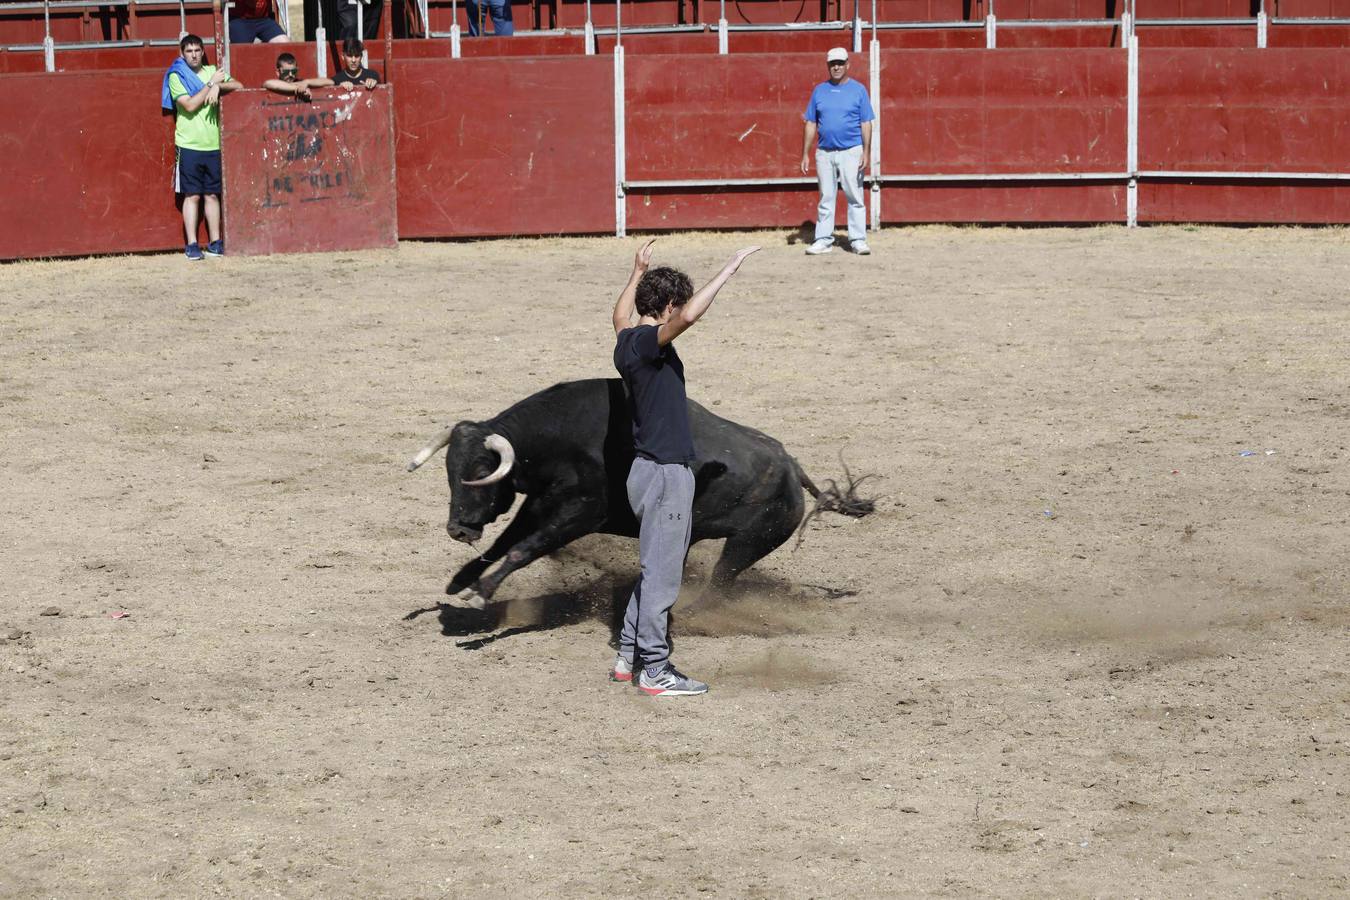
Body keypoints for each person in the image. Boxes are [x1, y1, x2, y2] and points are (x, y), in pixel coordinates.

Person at [609, 239, 760, 697]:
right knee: (663, 574)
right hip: (666, 475)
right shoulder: (650, 345)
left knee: (654, 566)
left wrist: (636, 270)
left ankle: (628, 654)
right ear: (669, 305)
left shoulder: (625, 342)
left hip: (642, 471)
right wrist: (727, 270)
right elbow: (690, 317)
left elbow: (618, 315)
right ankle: (654, 670)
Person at [162, 33, 243, 260]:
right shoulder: (177, 76)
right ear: (182, 53)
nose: (194, 55)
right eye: (189, 51)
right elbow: (189, 105)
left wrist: (220, 87)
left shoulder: (212, 71)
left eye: (197, 50)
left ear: (203, 51)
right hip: (189, 145)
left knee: (212, 194)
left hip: (213, 144)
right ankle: (192, 244)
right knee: (192, 195)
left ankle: (215, 242)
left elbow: (239, 85)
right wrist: (211, 85)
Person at [800, 46, 874, 256]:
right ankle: (823, 239)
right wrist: (805, 153)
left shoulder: (858, 90)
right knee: (826, 196)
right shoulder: (819, 91)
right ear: (828, 66)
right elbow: (811, 123)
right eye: (833, 64)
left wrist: (866, 152)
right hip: (824, 151)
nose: (837, 67)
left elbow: (866, 122)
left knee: (855, 196)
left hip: (852, 150)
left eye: (840, 63)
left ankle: (858, 240)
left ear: (848, 65)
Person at [263, 52, 334, 100]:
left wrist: (307, 82)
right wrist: (297, 88)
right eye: (286, 72)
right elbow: (267, 83)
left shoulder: (301, 83)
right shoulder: (278, 84)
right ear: (278, 72)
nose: (290, 75)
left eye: (293, 71)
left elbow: (330, 82)